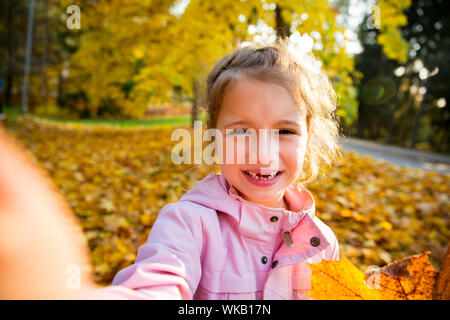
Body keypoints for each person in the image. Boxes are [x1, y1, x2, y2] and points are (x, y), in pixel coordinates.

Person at [0, 38, 341, 300]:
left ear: (309, 138)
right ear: (213, 137)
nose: (263, 154)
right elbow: (159, 284)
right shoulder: (188, 224)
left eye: (285, 131)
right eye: (241, 131)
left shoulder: (321, 243)